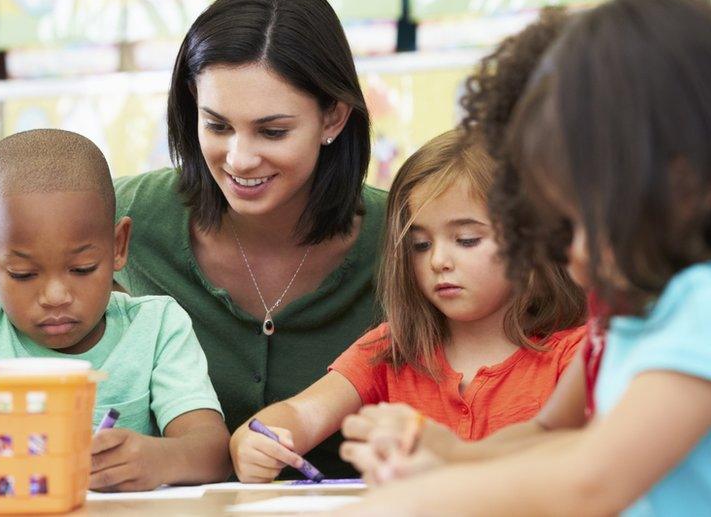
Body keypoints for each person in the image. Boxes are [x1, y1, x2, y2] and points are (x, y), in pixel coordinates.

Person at [339, 0, 711, 515]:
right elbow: (553, 437)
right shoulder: (632, 319)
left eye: (579, 222)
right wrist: (450, 455)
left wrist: (425, 498)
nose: (569, 256)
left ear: (685, 182)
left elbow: (593, 478)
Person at [113, 0, 386, 477]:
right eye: (217, 125)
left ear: (334, 118)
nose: (238, 158)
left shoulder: (407, 237)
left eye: (272, 130)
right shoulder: (125, 216)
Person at [229, 129, 585, 482]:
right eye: (420, 245)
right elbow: (301, 414)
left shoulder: (576, 355)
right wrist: (254, 442)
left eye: (466, 240)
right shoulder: (392, 348)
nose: (439, 261)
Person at [0, 129, 230, 492]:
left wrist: (159, 460)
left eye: (82, 269)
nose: (56, 296)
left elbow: (213, 452)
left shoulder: (157, 326)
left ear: (118, 246)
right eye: (23, 274)